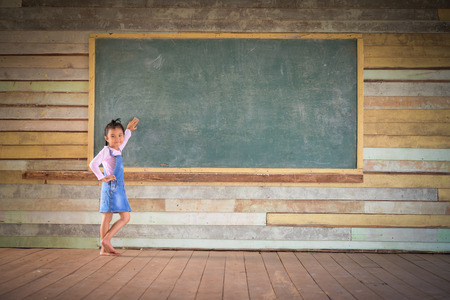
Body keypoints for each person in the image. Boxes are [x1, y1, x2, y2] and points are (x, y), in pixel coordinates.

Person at [89, 117, 139, 256]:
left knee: (110, 217)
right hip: (111, 188)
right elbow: (93, 164)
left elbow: (125, 139)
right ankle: (106, 241)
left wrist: (128, 130)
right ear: (106, 138)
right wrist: (102, 177)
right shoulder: (106, 151)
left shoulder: (118, 148)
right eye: (113, 136)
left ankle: (104, 248)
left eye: (119, 135)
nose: (117, 139)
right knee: (118, 217)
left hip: (118, 188)